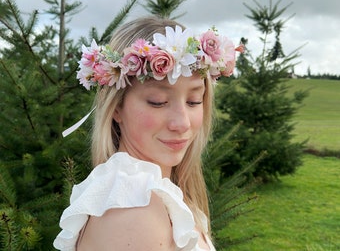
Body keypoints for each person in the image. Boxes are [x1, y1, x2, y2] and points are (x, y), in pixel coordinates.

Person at [53, 16, 243, 251]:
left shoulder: (153, 194)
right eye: (158, 102)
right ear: (117, 108)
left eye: (194, 101)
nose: (182, 123)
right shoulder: (135, 212)